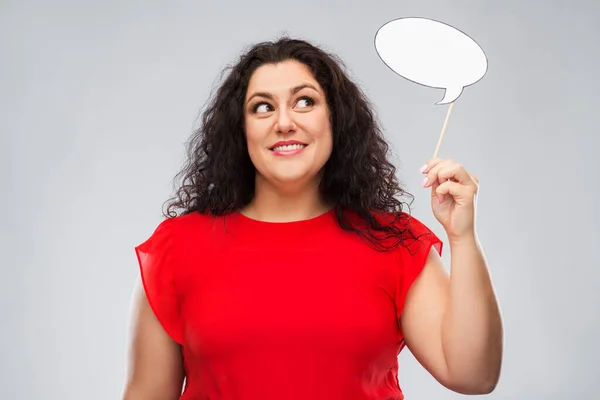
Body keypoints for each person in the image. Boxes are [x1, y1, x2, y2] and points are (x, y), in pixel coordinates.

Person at [122, 37, 503, 400]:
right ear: (241, 130)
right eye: (263, 107)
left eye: (304, 102)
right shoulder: (178, 246)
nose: (284, 122)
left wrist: (462, 237)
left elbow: (474, 374)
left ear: (336, 120)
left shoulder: (394, 241)